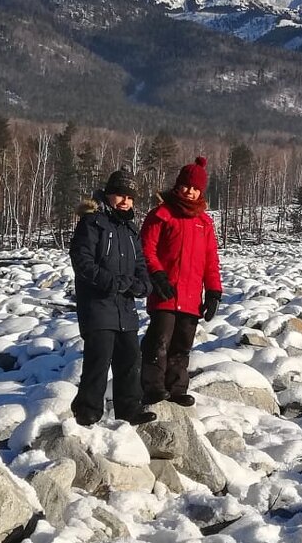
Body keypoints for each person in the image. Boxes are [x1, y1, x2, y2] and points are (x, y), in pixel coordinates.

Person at [69, 168, 157, 426]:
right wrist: (110, 282)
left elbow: (141, 264)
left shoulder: (130, 230)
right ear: (108, 195)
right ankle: (87, 411)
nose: (125, 201)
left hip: (125, 309)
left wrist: (143, 286)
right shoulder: (92, 222)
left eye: (130, 197)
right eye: (120, 195)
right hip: (97, 306)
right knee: (98, 360)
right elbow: (82, 260)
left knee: (130, 359)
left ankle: (129, 410)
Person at [139, 156, 223, 406]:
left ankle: (177, 388)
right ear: (178, 186)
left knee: (182, 346)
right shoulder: (161, 215)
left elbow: (210, 260)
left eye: (195, 188)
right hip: (165, 293)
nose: (190, 191)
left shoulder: (204, 223)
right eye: (187, 186)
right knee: (159, 342)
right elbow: (146, 249)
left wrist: (214, 292)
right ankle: (153, 387)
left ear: (201, 191)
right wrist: (157, 274)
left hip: (190, 298)